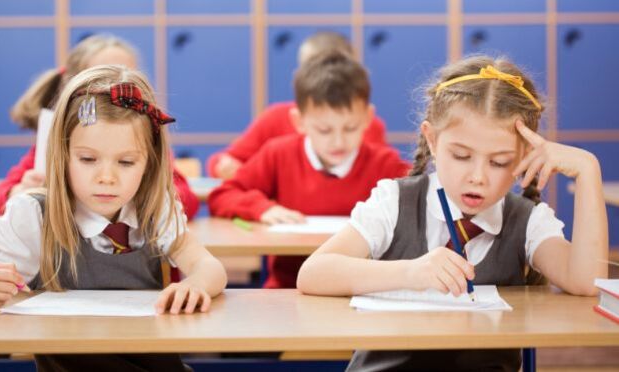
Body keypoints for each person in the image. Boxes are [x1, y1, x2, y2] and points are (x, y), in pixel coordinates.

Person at [297, 55, 608, 371]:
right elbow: (313, 273)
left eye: (499, 162)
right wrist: (410, 273)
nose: (477, 176)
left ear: (526, 157)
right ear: (432, 140)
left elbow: (586, 283)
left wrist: (587, 170)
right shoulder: (394, 201)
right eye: (461, 156)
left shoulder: (529, 222)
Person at [0, 65, 227, 371]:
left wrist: (197, 284)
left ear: (150, 162)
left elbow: (209, 267)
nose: (106, 177)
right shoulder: (34, 217)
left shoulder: (155, 208)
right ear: (62, 155)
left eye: (125, 162)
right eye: (88, 159)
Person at [208, 52, 411, 289]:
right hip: (287, 288)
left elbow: (420, 204)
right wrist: (261, 208)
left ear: (368, 118)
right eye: (324, 130)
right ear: (299, 121)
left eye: (350, 128)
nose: (338, 142)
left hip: (360, 288)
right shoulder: (278, 154)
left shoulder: (385, 164)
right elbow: (222, 195)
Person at [0, 34, 199, 219]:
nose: (115, 89)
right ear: (73, 86)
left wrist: (152, 195)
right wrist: (20, 192)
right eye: (87, 159)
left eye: (126, 162)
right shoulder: (59, 141)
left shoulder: (141, 140)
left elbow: (188, 201)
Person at [207, 31, 389, 180]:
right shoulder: (275, 118)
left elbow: (384, 177)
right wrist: (228, 168)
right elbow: (222, 162)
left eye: (349, 128)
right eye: (324, 130)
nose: (327, 76)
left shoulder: (370, 124)